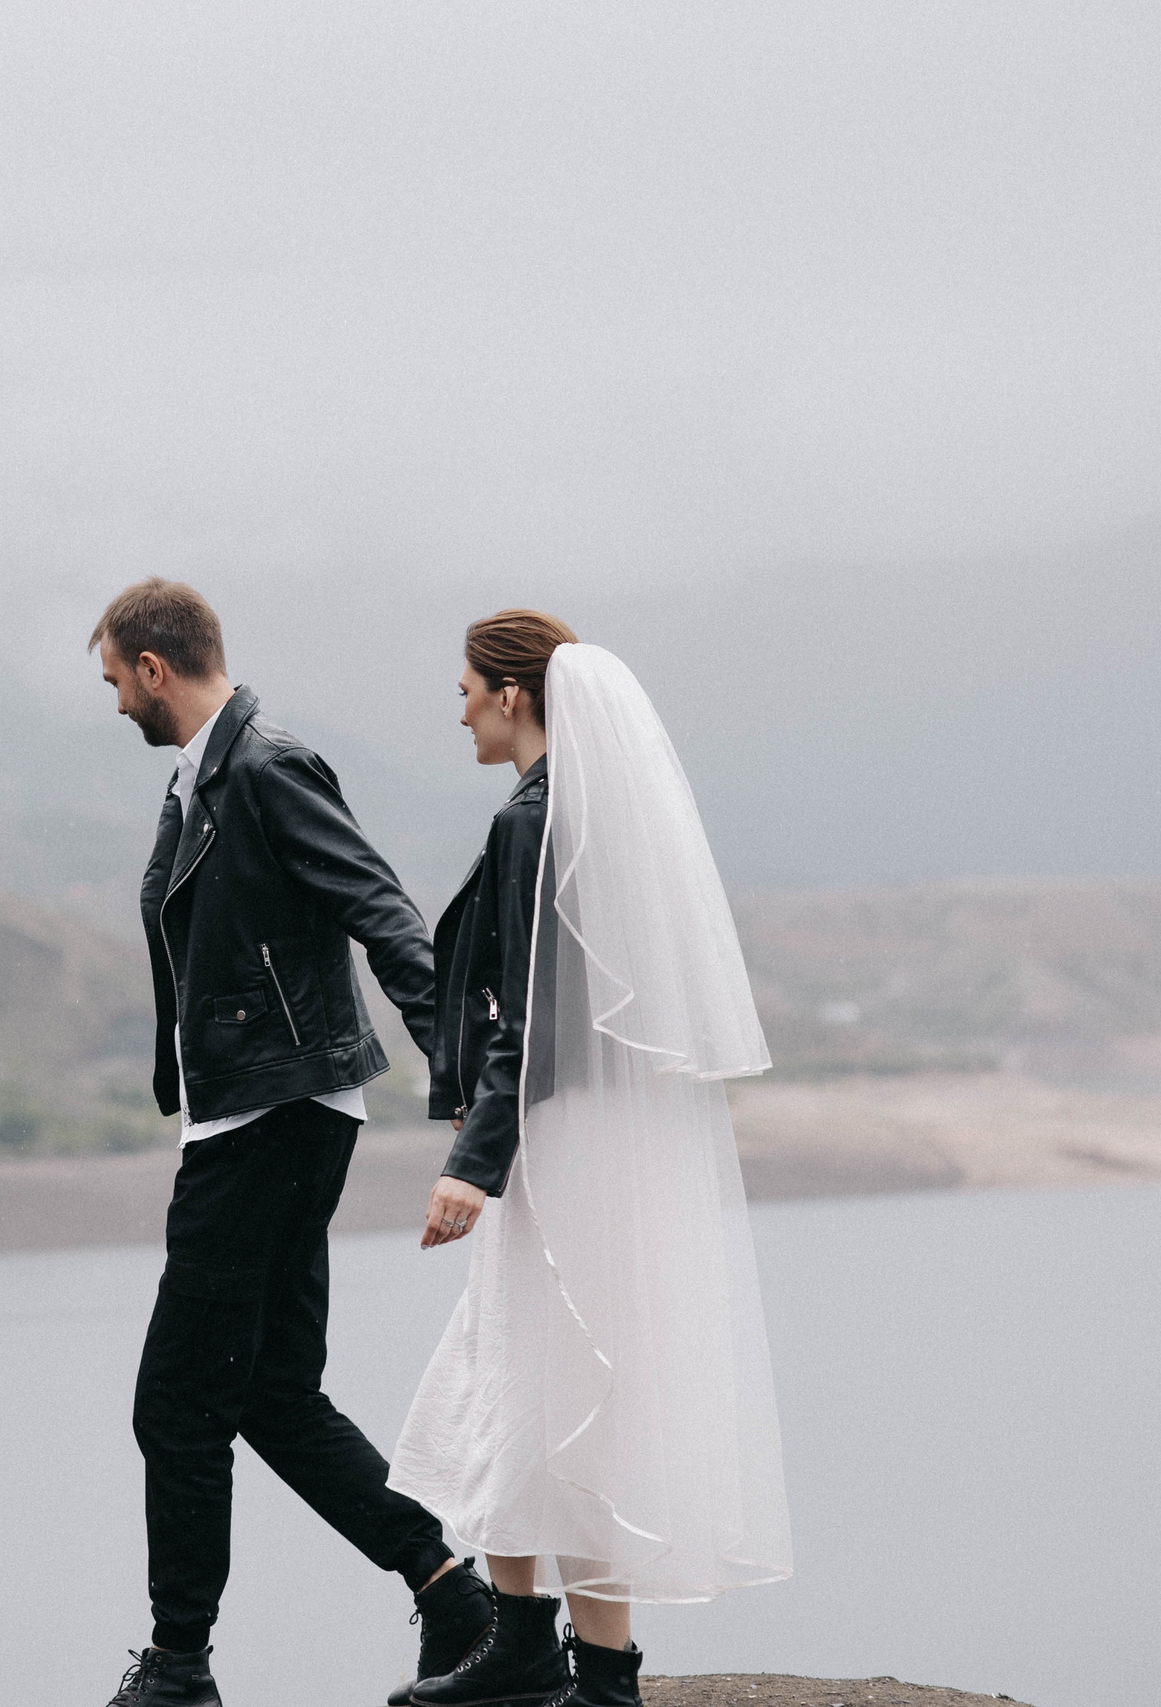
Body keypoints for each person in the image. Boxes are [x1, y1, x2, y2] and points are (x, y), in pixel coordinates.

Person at [89, 578, 501, 1707]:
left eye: (116, 678)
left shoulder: (264, 768)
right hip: (265, 1108)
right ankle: (449, 1586)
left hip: (272, 1115)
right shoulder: (201, 782)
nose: (115, 700)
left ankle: (178, 1669)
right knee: (270, 1390)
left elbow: (378, 906)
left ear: (155, 667)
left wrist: (452, 1067)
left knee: (175, 1403)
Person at [387, 612, 793, 1707]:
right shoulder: (586, 814)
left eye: (467, 685)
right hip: (587, 1136)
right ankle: (530, 1647)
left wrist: (471, 1164)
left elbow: (525, 1020)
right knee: (521, 1375)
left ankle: (595, 1677)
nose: (458, 705)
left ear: (513, 696)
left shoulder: (535, 817)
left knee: (544, 1379)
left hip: (549, 1143)